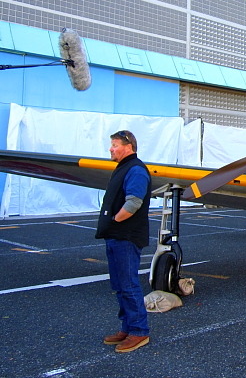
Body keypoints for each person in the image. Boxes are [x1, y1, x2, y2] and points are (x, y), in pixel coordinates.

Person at [95, 130, 152, 353]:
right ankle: (128, 328)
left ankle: (139, 331)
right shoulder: (125, 167)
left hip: (125, 236)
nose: (110, 148)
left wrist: (116, 221)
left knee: (128, 284)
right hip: (117, 235)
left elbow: (134, 202)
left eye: (115, 144)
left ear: (128, 146)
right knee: (119, 285)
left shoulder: (136, 169)